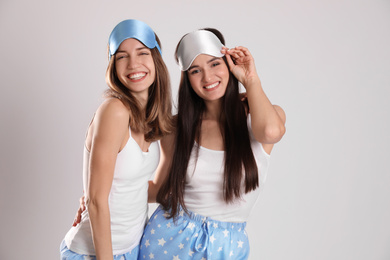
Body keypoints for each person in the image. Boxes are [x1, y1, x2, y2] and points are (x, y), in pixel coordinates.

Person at [138, 28, 286, 260]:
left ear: (229, 64)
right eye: (196, 70)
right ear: (187, 79)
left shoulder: (261, 116)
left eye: (215, 64)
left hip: (228, 245)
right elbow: (160, 189)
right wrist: (103, 192)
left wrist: (251, 80)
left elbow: (271, 132)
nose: (207, 77)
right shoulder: (176, 129)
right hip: (169, 239)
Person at [60, 19, 173, 260]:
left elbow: (142, 190)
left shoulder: (151, 119)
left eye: (142, 53)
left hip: (131, 248)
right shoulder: (115, 110)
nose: (133, 64)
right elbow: (97, 201)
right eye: (122, 56)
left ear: (156, 60)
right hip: (97, 254)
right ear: (113, 65)